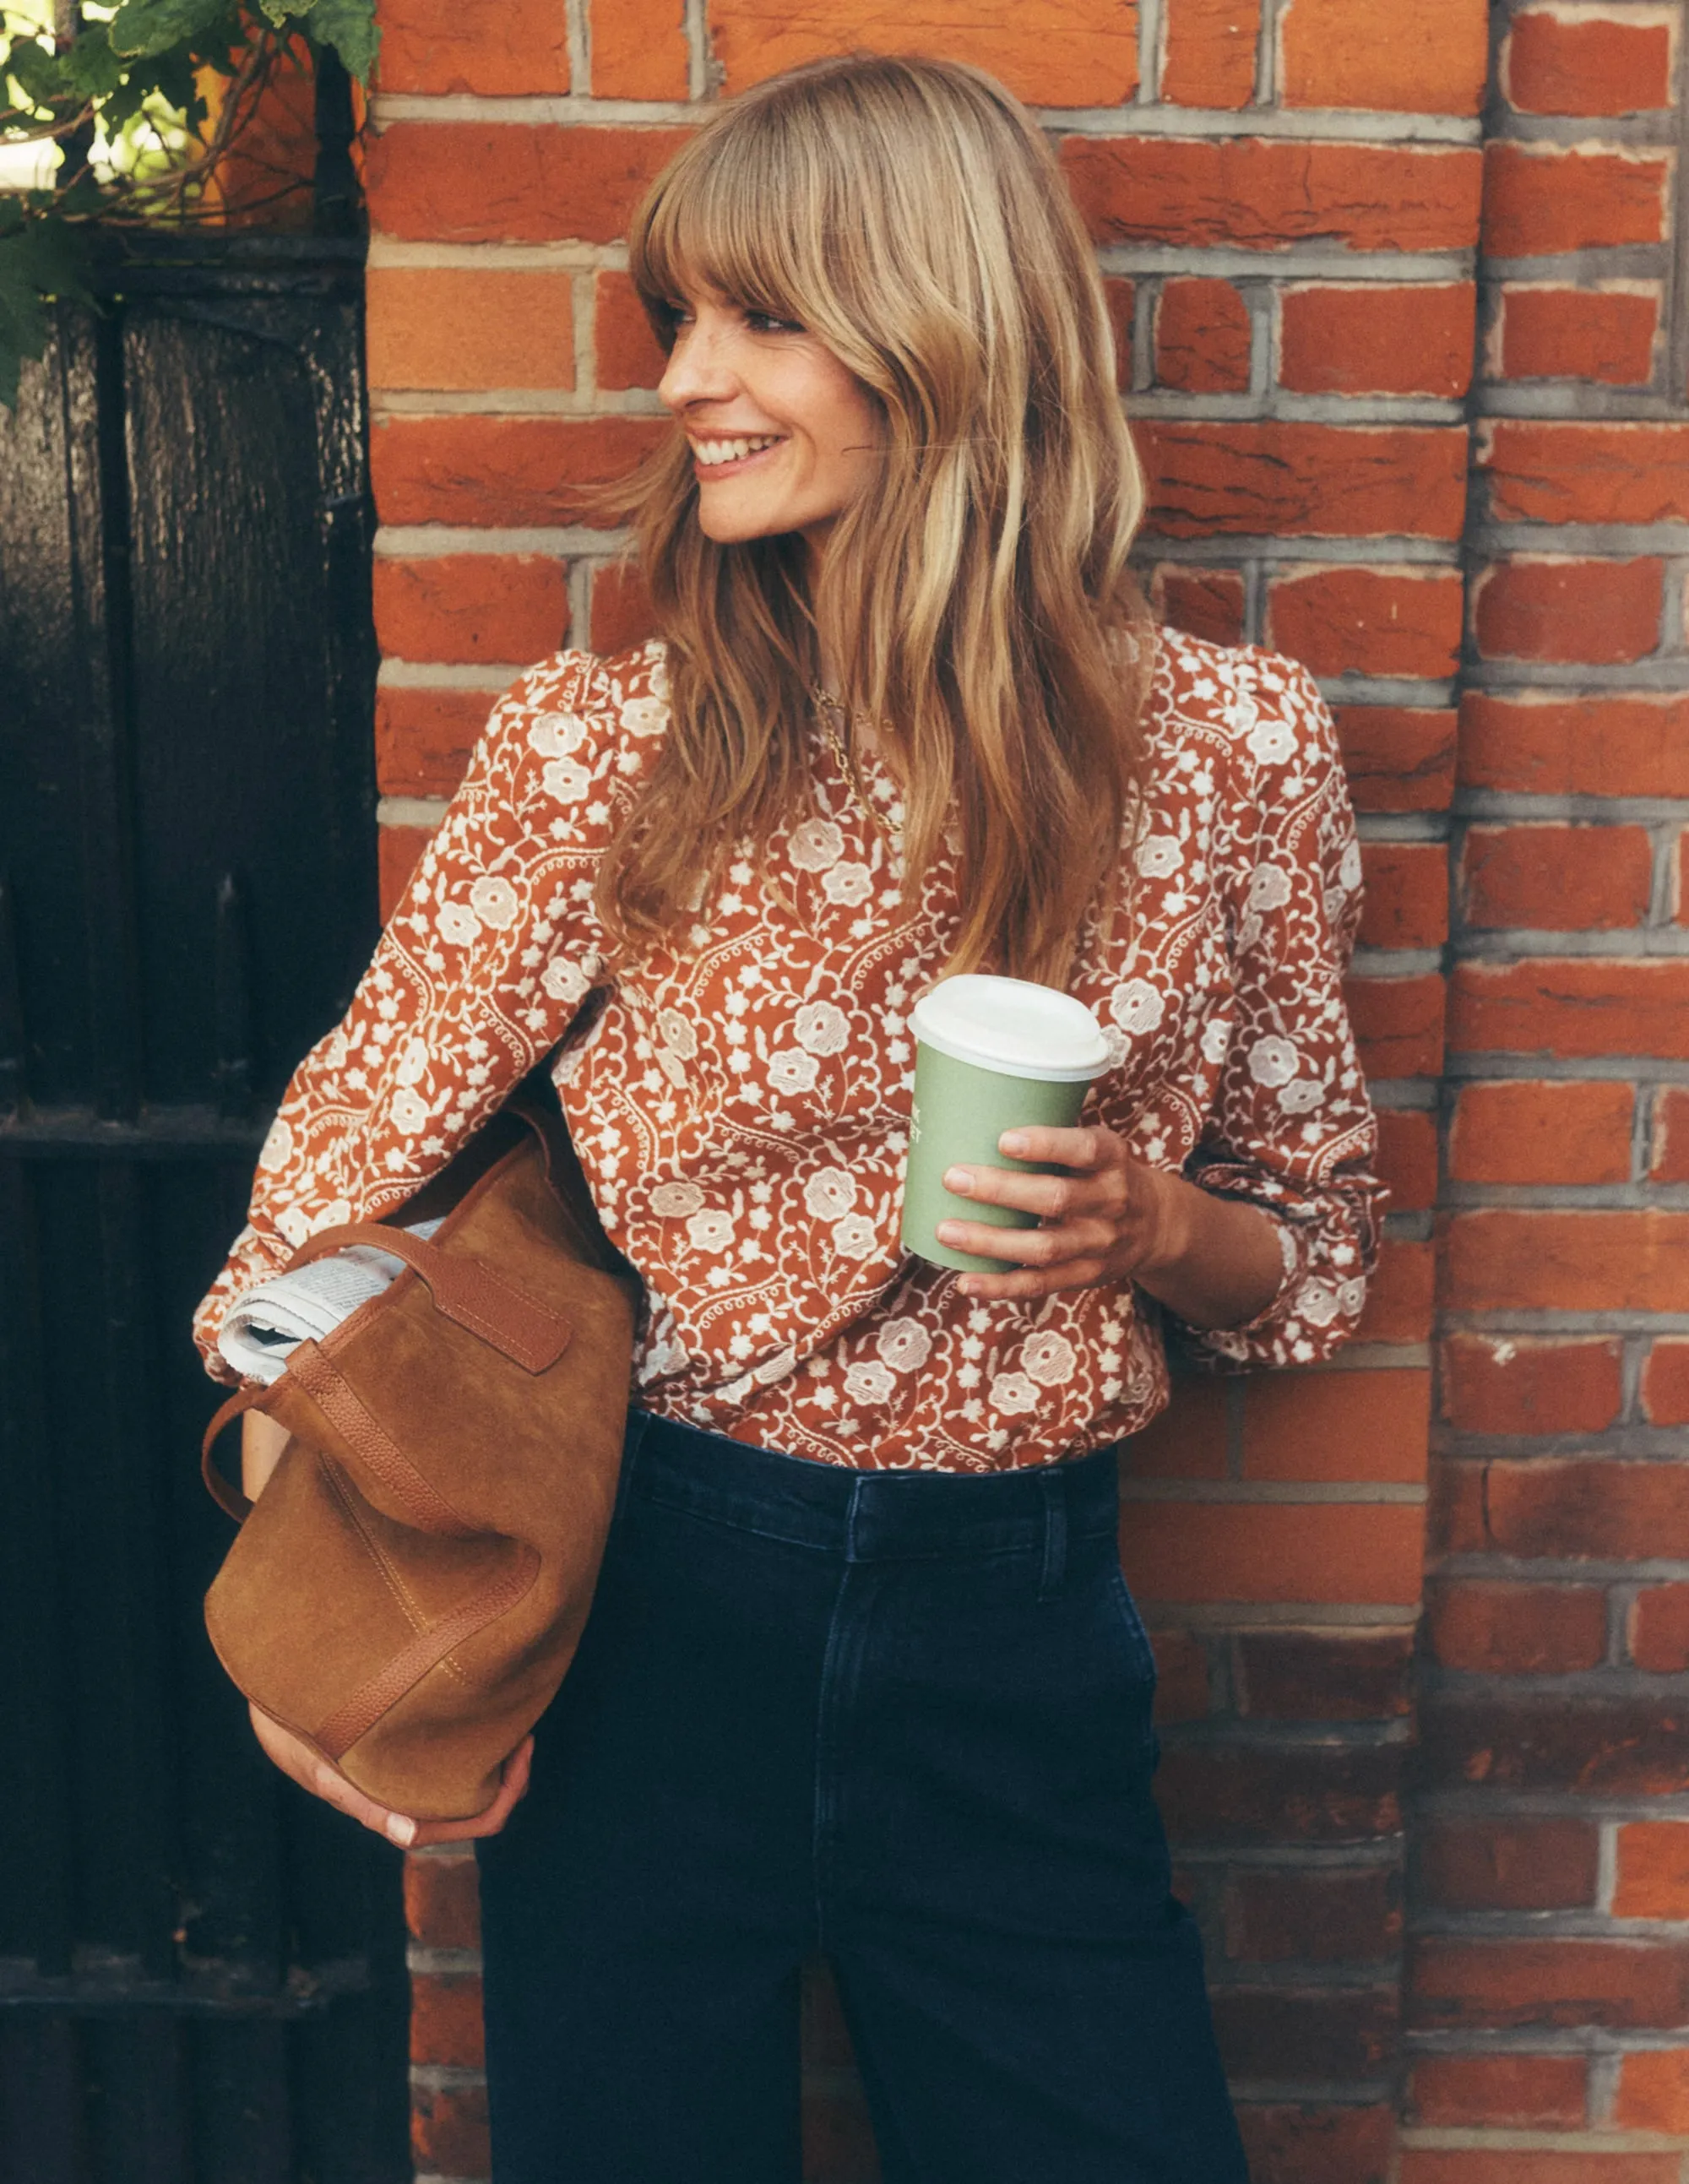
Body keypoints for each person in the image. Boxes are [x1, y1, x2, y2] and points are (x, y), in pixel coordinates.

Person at [194, 51, 1384, 2184]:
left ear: (943, 335)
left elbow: (1309, 1262)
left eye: (760, 318)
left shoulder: (1232, 754)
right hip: (658, 1604)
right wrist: (312, 1641)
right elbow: (318, 1205)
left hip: (1020, 1634)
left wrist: (1148, 1231)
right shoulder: (601, 747)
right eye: (679, 319)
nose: (683, 382)